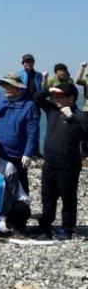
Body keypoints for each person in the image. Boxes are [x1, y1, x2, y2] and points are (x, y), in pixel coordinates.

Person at [33, 84, 88, 240]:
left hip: (68, 165)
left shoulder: (80, 115)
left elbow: (84, 135)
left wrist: (70, 118)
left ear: (71, 99)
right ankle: (45, 225)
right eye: (55, 96)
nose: (55, 98)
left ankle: (67, 228)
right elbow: (37, 98)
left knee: (68, 198)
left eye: (60, 96)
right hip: (49, 163)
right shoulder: (52, 109)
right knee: (47, 197)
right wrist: (49, 89)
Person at [0, 73, 39, 195]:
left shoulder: (29, 106)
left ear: (18, 88)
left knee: (20, 187)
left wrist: (28, 153)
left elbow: (33, 132)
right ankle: (1, 206)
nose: (6, 89)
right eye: (4, 85)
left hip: (17, 155)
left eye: (10, 86)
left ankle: (23, 206)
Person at [74, 62, 88, 159]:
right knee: (84, 131)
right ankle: (84, 154)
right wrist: (82, 68)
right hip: (87, 109)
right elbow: (78, 80)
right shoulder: (86, 82)